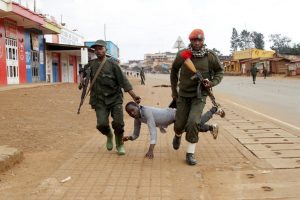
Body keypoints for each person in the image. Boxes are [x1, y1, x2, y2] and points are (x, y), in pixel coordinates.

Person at [170, 28, 224, 165]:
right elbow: (174, 71)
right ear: (190, 41)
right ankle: (177, 135)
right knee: (179, 124)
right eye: (194, 40)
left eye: (199, 40)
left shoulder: (210, 56)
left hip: (199, 95)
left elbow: (219, 72)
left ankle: (190, 153)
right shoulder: (182, 55)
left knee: (193, 122)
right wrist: (174, 92)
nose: (197, 42)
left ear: (203, 40)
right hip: (183, 94)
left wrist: (211, 82)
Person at [80, 39, 141, 155]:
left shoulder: (113, 64)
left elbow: (124, 82)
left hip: (115, 99)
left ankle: (119, 143)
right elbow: (82, 72)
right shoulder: (91, 64)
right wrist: (82, 79)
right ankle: (109, 134)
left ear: (105, 50)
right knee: (101, 124)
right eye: (96, 49)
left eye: (100, 48)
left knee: (118, 123)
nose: (98, 51)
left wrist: (134, 96)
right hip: (99, 99)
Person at [122, 101, 225, 159]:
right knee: (194, 127)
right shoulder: (138, 118)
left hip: (177, 115)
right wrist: (129, 138)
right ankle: (212, 127)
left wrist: (151, 150)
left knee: (195, 124)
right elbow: (136, 134)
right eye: (129, 113)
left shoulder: (146, 111)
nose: (132, 113)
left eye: (133, 110)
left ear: (138, 107)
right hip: (174, 120)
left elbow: (152, 130)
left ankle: (214, 109)